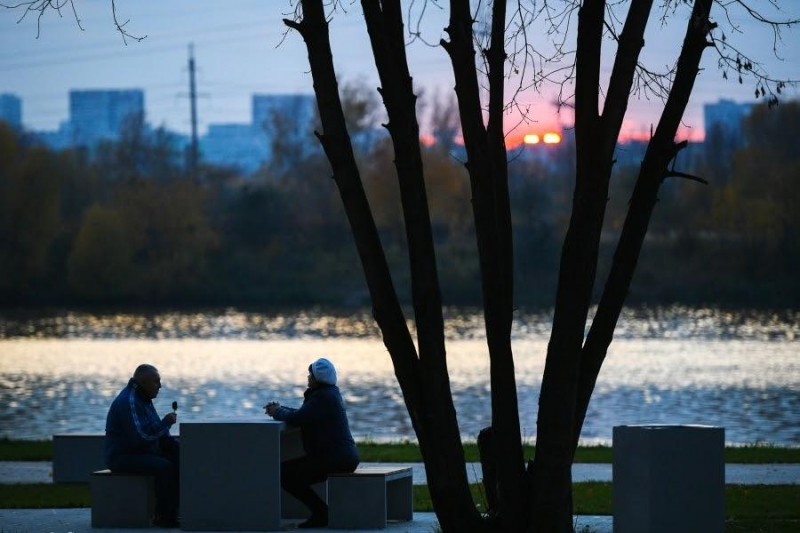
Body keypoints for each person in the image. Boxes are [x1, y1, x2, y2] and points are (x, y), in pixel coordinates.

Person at [265, 357, 359, 529]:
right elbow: (305, 414)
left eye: (310, 375)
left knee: (284, 474)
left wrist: (278, 411)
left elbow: (297, 418)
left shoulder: (322, 397)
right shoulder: (329, 393)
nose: (308, 378)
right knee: (290, 472)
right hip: (342, 456)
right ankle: (321, 511)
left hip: (335, 458)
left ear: (317, 379)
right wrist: (280, 409)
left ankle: (322, 512)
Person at [105, 364, 180, 528]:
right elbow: (141, 437)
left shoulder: (144, 398)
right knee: (164, 467)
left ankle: (179, 508)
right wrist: (166, 423)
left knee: (178, 452)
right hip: (122, 457)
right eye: (156, 382)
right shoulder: (129, 402)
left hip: (140, 451)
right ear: (143, 382)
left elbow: (153, 430)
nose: (160, 386)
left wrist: (173, 443)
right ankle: (164, 516)